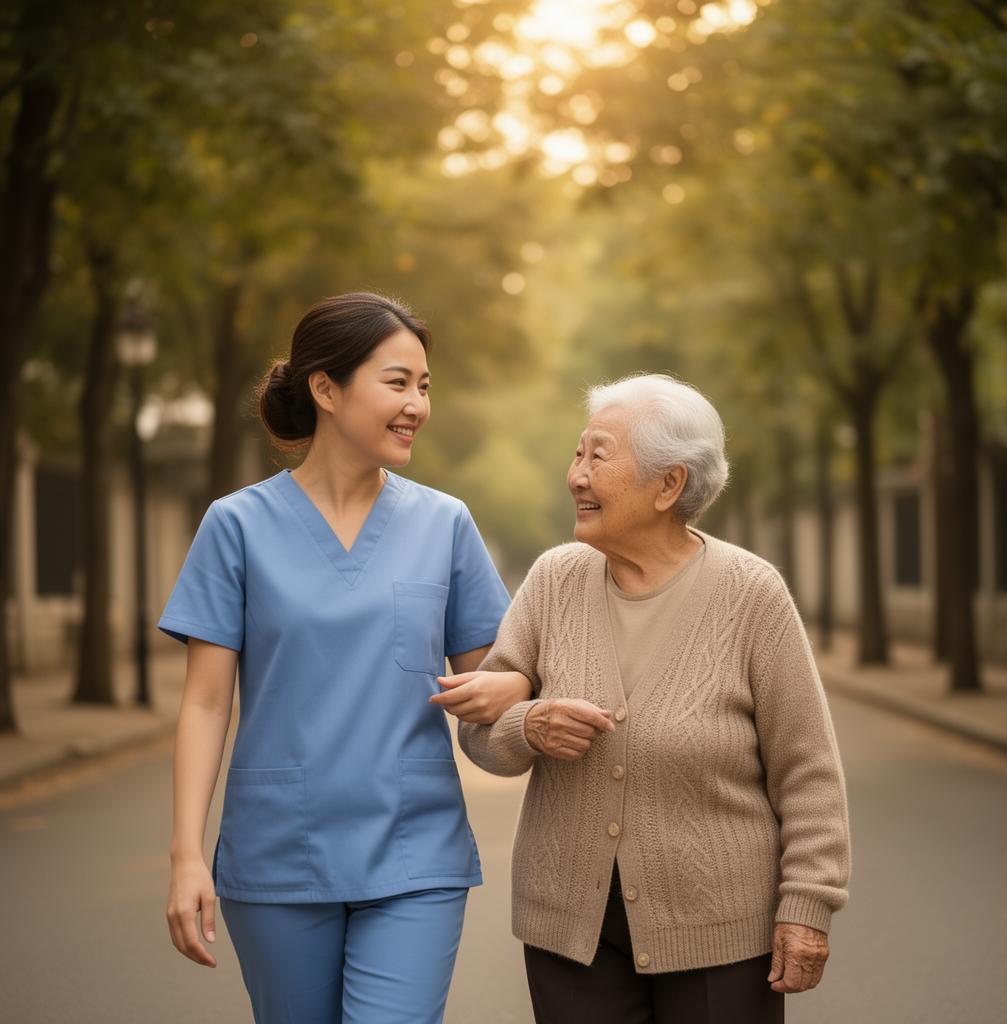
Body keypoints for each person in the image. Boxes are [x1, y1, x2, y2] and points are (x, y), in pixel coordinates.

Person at [160, 292, 530, 1024]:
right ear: (326, 389)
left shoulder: (445, 524)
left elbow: (499, 673)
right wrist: (186, 855)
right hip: (277, 855)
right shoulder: (236, 527)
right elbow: (205, 702)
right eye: (397, 383)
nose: (417, 405)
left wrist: (516, 684)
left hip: (414, 851)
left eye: (424, 387)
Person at [449, 373, 851, 1023]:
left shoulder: (751, 594)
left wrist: (808, 905)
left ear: (669, 485)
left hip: (721, 932)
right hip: (570, 935)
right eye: (577, 453)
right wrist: (529, 725)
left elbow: (808, 771)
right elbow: (482, 736)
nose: (576, 473)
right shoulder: (554, 581)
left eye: (599, 454)